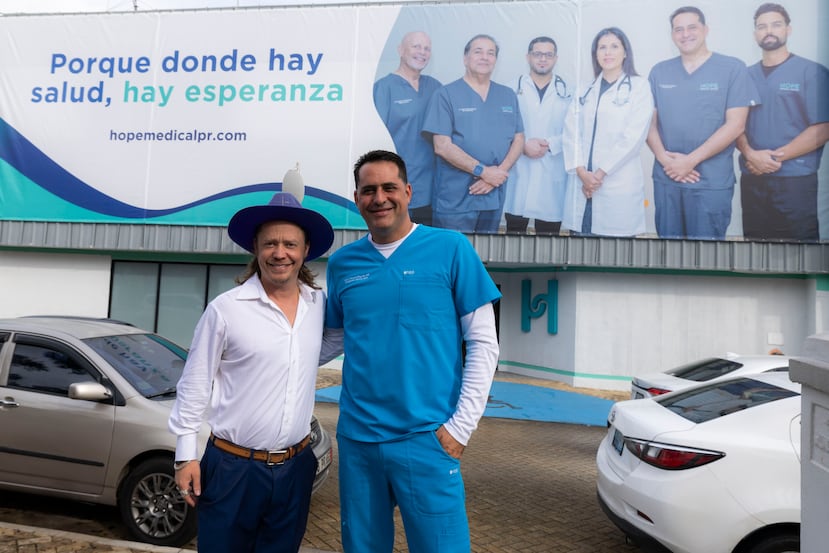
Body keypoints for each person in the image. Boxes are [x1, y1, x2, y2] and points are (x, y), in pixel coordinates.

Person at [326, 149, 501, 552]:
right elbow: (333, 339)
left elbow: (483, 342)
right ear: (357, 198)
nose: (379, 198)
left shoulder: (451, 248)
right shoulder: (343, 264)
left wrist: (460, 428)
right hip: (358, 440)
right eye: (369, 190)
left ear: (408, 191)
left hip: (427, 437)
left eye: (389, 188)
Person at [168, 192, 340, 553]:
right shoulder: (226, 309)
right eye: (270, 243)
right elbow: (195, 383)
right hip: (233, 469)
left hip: (296, 467)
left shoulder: (318, 305)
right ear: (255, 248)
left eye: (290, 244)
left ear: (306, 250)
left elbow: (314, 350)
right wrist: (185, 455)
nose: (280, 253)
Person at [647, 6, 759, 240]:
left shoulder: (733, 68)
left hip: (710, 182)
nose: (685, 34)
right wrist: (667, 161)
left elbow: (736, 125)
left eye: (692, 27)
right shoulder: (659, 72)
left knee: (706, 253)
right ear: (672, 35)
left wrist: (690, 161)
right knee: (668, 251)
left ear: (706, 30)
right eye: (678, 29)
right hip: (668, 178)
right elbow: (648, 124)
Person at [736, 2, 829, 242]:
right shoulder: (744, 75)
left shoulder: (811, 72)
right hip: (753, 179)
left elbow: (823, 127)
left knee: (797, 251)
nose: (769, 31)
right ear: (755, 34)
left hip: (795, 181)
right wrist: (751, 155)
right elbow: (734, 124)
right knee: (755, 250)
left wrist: (773, 159)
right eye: (762, 26)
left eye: (776, 24)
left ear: (788, 29)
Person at [422, 33, 524, 233]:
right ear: (465, 58)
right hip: (456, 198)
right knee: (453, 250)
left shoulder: (507, 95)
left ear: (495, 60)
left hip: (493, 194)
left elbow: (519, 139)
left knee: (486, 251)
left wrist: (498, 174)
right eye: (478, 52)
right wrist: (484, 172)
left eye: (491, 53)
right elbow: (442, 146)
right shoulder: (445, 95)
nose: (485, 57)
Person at [561, 27, 653, 236]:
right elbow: (570, 133)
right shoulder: (584, 89)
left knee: (614, 250)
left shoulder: (639, 87)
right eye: (602, 47)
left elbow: (633, 138)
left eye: (614, 46)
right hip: (582, 183)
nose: (607, 52)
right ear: (595, 54)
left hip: (616, 183)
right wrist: (582, 173)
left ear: (625, 52)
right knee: (579, 246)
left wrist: (598, 175)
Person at [373, 31, 442, 226]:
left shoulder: (435, 87)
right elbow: (376, 141)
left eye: (426, 48)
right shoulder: (384, 88)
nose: (422, 52)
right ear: (400, 50)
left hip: (431, 188)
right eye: (416, 46)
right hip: (396, 185)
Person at [505, 36, 571, 235]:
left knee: (549, 235)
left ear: (556, 58)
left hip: (552, 168)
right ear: (528, 57)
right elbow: (501, 127)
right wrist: (523, 145)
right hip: (519, 168)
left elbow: (576, 131)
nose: (543, 59)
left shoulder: (570, 92)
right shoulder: (510, 89)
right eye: (538, 54)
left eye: (548, 55)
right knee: (514, 232)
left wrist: (550, 144)